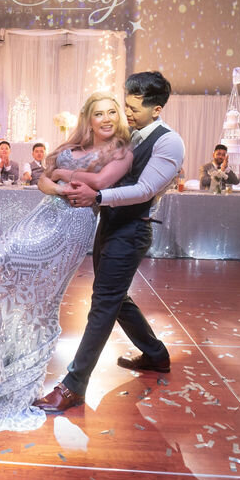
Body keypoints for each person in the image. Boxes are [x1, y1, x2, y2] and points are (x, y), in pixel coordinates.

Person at [0, 92, 133, 437]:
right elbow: (43, 180)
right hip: (47, 213)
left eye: (111, 113)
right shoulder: (70, 146)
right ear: (88, 118)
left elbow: (101, 183)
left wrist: (62, 172)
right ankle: (2, 354)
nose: (105, 119)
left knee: (43, 293)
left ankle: (28, 355)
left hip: (76, 223)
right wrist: (58, 183)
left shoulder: (121, 152)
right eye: (98, 113)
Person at [34, 71, 185, 414]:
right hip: (110, 225)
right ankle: (156, 355)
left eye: (133, 109)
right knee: (115, 298)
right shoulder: (129, 136)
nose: (126, 114)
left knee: (104, 303)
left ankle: (74, 385)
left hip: (132, 231)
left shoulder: (168, 142)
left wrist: (97, 194)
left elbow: (144, 189)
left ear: (157, 108)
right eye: (125, 105)